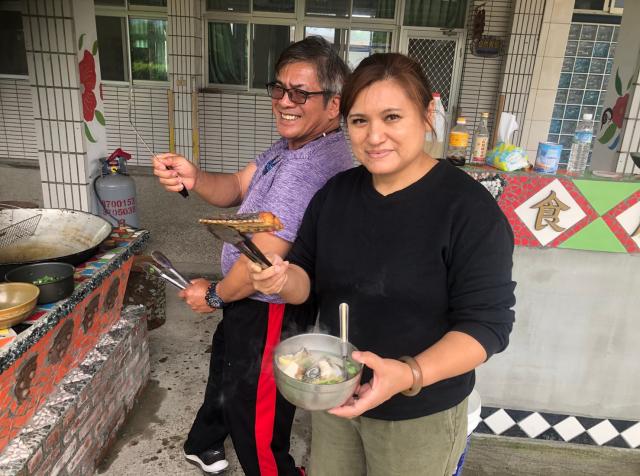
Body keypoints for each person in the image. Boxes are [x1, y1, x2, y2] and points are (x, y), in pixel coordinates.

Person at [248, 53, 516, 476]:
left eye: (392, 117)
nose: (374, 137)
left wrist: (409, 373)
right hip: (337, 396)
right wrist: (279, 279)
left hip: (420, 412)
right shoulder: (335, 195)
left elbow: (488, 326)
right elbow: (304, 281)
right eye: (359, 121)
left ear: (426, 114)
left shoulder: (467, 210)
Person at [153, 37, 352, 476]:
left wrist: (214, 295)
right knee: (228, 367)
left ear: (334, 105)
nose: (285, 101)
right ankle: (204, 441)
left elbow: (259, 260)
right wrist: (195, 176)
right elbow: (239, 186)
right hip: (247, 301)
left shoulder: (311, 167)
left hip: (270, 306)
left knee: (258, 409)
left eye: (301, 93)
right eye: (279, 88)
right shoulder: (291, 146)